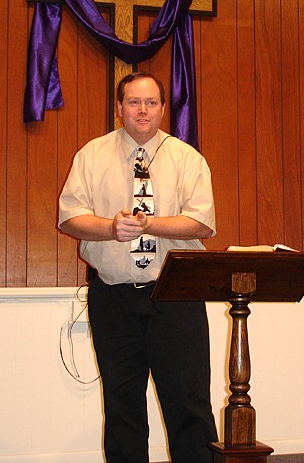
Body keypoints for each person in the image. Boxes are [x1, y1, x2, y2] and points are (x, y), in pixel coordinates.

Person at [58, 72, 218, 463]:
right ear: (119, 108)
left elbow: (202, 222)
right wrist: (112, 228)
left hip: (175, 296)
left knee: (190, 407)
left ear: (164, 108)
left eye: (150, 102)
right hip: (112, 297)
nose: (142, 110)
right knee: (122, 407)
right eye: (133, 102)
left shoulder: (188, 158)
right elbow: (69, 218)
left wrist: (150, 223)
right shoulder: (91, 156)